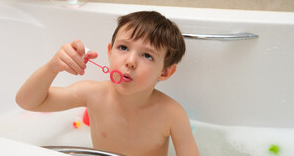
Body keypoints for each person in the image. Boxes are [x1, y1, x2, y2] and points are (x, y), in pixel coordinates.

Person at [16, 11, 199, 156]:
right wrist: (52, 68)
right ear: (110, 52)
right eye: (123, 47)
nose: (130, 61)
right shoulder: (92, 94)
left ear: (165, 72)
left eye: (147, 55)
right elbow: (27, 102)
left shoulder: (172, 114)